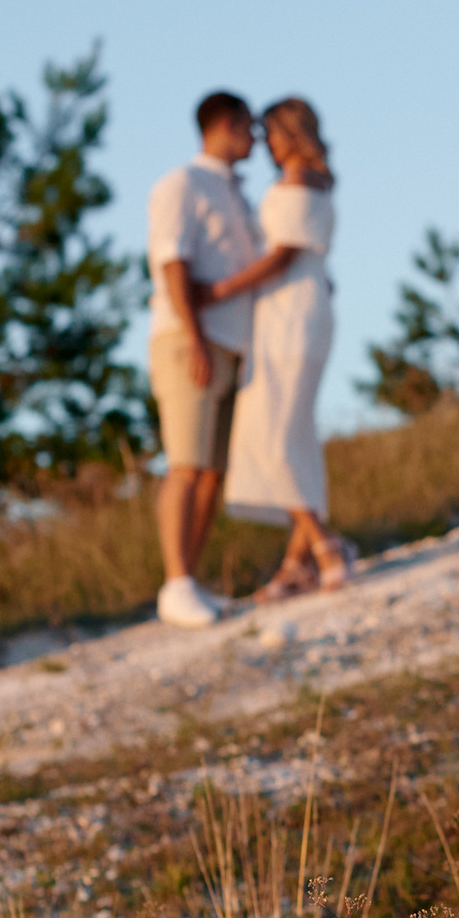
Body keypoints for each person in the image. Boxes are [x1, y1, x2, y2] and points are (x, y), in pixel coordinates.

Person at [214, 96, 355, 596]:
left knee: (275, 435)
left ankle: (323, 544)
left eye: (271, 133)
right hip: (302, 308)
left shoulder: (297, 183)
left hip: (289, 313)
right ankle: (297, 563)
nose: (266, 145)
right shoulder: (320, 184)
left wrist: (220, 290)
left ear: (289, 133)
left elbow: (283, 255)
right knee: (293, 434)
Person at [146, 91, 264, 628]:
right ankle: (174, 581)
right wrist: (193, 337)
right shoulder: (183, 185)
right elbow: (172, 261)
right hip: (189, 338)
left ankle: (189, 580)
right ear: (223, 123)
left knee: (213, 471)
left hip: (232, 342)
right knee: (187, 464)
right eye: (246, 126)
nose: (253, 138)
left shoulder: (235, 193)